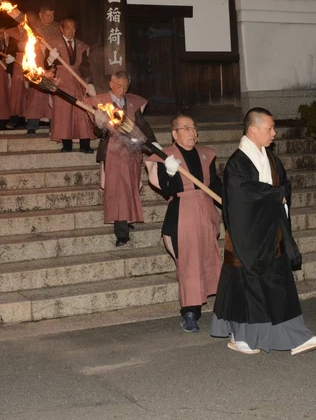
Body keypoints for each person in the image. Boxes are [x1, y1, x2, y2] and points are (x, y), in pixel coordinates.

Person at [211, 107, 316, 355]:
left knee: (278, 288)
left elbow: (283, 186)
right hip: (247, 238)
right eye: (270, 128)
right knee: (247, 291)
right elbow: (242, 196)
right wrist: (275, 195)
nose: (275, 133)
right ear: (253, 130)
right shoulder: (237, 163)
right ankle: (241, 337)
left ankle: (296, 336)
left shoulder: (272, 160)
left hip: (272, 235)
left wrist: (281, 195)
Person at [147, 115, 223, 333]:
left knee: (209, 258)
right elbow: (167, 189)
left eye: (194, 127)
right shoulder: (165, 156)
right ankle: (190, 312)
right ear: (175, 134)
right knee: (188, 263)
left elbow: (215, 185)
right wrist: (169, 172)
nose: (192, 132)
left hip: (206, 212)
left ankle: (221, 307)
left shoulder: (206, 155)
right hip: (181, 214)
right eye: (186, 128)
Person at [86, 71, 155, 246]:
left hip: (132, 152)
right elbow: (97, 132)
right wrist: (100, 123)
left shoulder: (133, 103)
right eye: (118, 86)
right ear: (111, 84)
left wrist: (156, 148)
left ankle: (126, 220)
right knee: (118, 191)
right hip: (112, 152)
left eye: (125, 87)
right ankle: (121, 232)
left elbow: (143, 126)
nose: (122, 90)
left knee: (131, 187)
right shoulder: (102, 103)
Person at [48, 17, 96, 153]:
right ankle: (66, 144)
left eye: (73, 28)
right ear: (61, 29)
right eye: (67, 28)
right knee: (64, 112)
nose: (71, 31)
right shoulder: (52, 44)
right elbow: (46, 66)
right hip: (61, 81)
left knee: (82, 111)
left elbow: (86, 66)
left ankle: (85, 144)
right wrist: (50, 58)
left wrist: (90, 83)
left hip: (77, 81)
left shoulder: (81, 45)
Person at [13, 4, 61, 136]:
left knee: (52, 94)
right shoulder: (33, 26)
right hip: (36, 64)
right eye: (47, 15)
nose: (50, 18)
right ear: (40, 15)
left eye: (52, 15)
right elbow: (22, 43)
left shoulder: (57, 28)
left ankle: (54, 124)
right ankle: (32, 124)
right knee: (36, 96)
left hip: (51, 64)